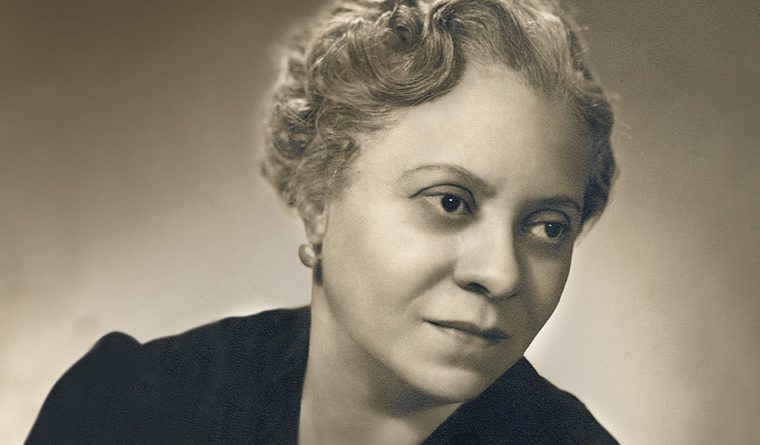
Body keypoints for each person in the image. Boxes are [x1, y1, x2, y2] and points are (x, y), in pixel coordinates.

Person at [26, 0, 618, 443]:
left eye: (549, 227)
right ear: (318, 199)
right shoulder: (126, 409)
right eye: (450, 202)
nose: (501, 273)